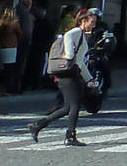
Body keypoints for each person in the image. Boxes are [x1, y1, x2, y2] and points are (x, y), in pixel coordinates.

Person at [28, 9, 96, 145]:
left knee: (67, 108)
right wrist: (69, 55)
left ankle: (38, 125)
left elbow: (81, 62)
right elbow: (70, 47)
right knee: (75, 105)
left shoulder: (82, 35)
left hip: (71, 73)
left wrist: (89, 79)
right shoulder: (75, 32)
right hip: (68, 73)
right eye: (92, 22)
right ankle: (70, 136)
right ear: (83, 21)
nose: (94, 25)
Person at [0, 8, 21, 95]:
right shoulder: (14, 23)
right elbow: (20, 34)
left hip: (1, 46)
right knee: (9, 68)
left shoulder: (0, 23)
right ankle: (6, 88)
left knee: (1, 68)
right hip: (11, 47)